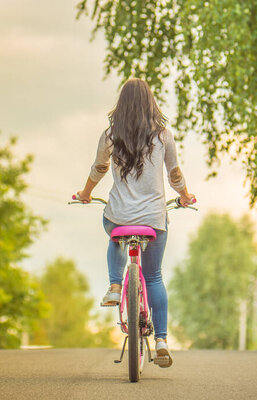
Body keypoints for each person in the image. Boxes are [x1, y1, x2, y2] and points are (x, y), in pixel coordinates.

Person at [76, 78, 195, 368]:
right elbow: (174, 174)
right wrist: (185, 196)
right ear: (150, 103)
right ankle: (163, 341)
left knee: (113, 234)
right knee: (153, 277)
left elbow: (99, 168)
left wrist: (85, 194)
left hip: (119, 216)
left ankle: (115, 285)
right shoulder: (164, 136)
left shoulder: (110, 135)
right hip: (154, 220)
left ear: (122, 103)